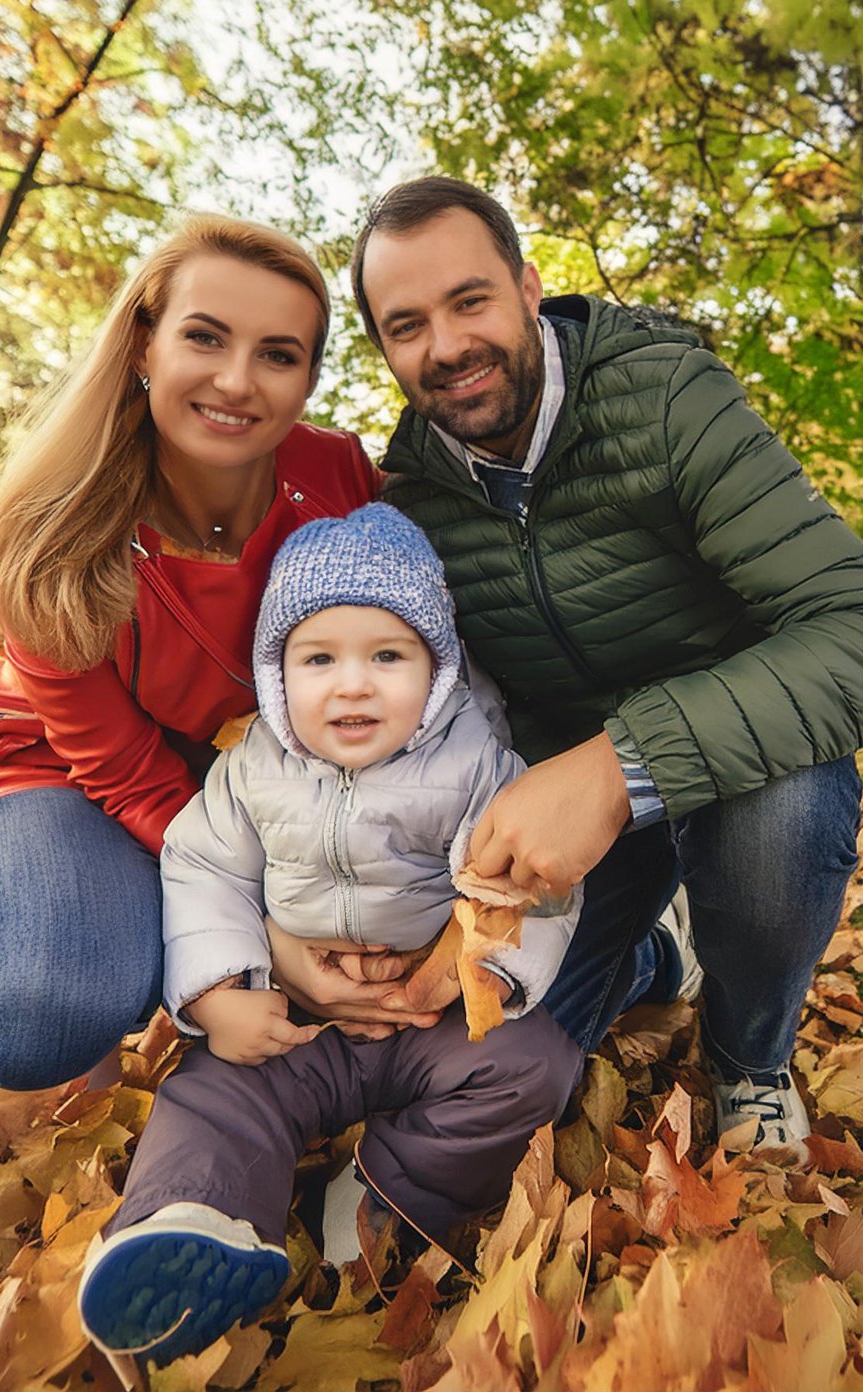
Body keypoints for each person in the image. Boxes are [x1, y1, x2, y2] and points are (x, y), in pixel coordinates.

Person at [348, 177, 863, 1161]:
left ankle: (748, 1057)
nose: (447, 345)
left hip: (733, 775)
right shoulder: (412, 500)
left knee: (787, 807)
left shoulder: (668, 397)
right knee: (500, 1064)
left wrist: (619, 767)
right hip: (564, 831)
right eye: (406, 324)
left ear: (529, 287)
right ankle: (654, 956)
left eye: (469, 300)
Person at [77, 504, 584, 1365]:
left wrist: (482, 972)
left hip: (431, 1018)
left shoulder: (478, 768)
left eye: (388, 656)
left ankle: (390, 1190)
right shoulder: (250, 773)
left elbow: (530, 881)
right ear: (277, 677)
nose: (352, 685)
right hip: (297, 1022)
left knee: (536, 1071)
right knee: (213, 1093)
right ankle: (192, 1218)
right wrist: (218, 994)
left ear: (438, 669)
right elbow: (205, 872)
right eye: (319, 660)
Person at [0, 216, 396, 1091]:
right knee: (41, 1014)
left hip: (261, 781)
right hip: (70, 775)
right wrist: (264, 917)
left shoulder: (338, 477)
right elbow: (126, 771)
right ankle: (49, 947)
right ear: (145, 342)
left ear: (307, 380)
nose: (236, 381)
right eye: (205, 338)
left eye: (278, 354)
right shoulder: (58, 520)